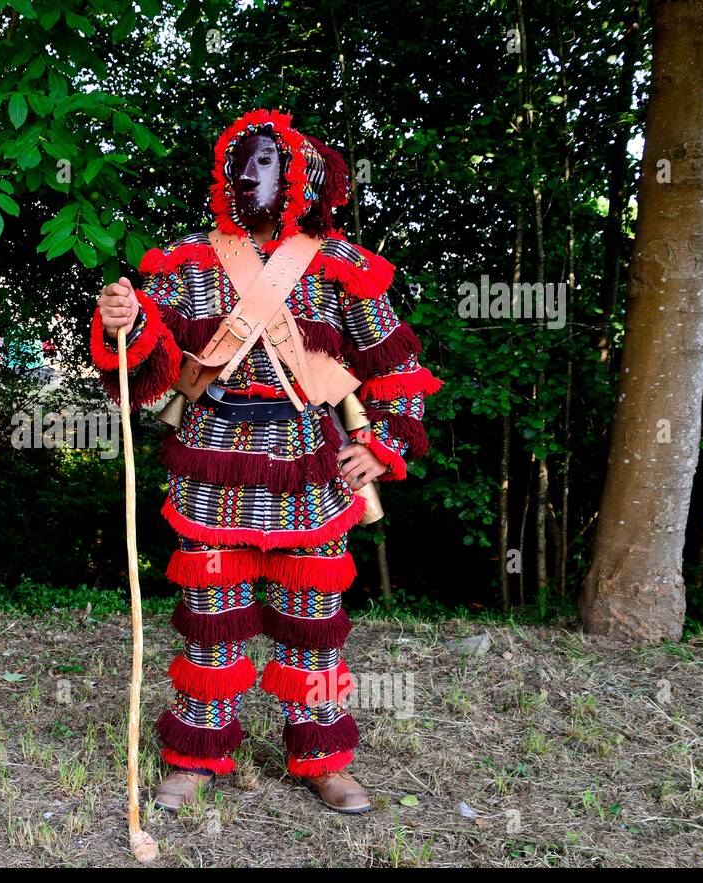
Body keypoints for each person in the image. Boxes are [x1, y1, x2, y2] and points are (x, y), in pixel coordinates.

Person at [90, 108, 443, 813]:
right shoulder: (187, 258)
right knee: (210, 617)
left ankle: (321, 757)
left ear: (301, 179)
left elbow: (395, 365)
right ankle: (197, 751)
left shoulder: (341, 265)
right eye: (242, 161)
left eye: (266, 162)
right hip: (210, 463)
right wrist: (120, 321)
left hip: (308, 467)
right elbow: (150, 365)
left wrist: (384, 443)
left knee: (313, 623)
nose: (250, 173)